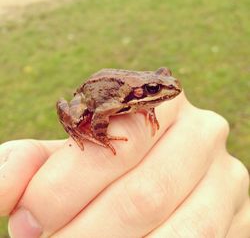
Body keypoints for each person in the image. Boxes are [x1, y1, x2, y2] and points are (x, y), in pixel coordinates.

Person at [0, 92, 249, 238]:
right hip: (90, 96)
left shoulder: (142, 100)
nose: (165, 90)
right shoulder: (121, 99)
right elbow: (100, 113)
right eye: (153, 88)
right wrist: (101, 137)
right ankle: (81, 132)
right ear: (140, 92)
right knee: (80, 119)